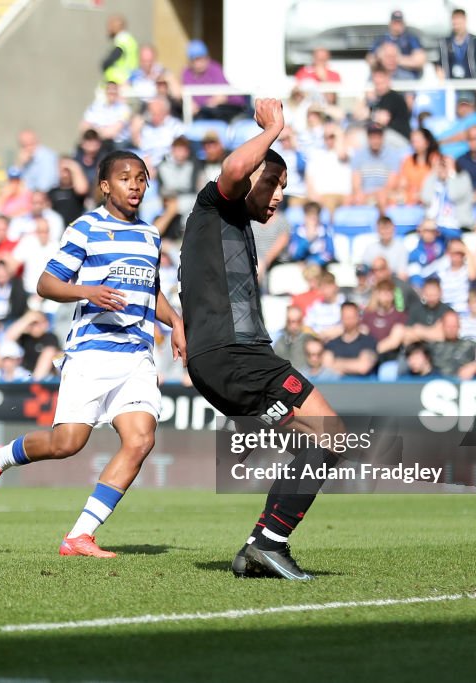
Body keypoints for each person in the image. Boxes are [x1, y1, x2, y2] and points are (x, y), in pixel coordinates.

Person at [0, 151, 187, 559]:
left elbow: (149, 291)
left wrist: (177, 324)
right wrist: (87, 291)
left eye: (141, 179)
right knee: (67, 443)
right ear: (105, 186)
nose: (135, 185)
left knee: (140, 440)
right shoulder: (85, 228)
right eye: (125, 178)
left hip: (136, 354)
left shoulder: (150, 236)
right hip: (92, 352)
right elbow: (47, 284)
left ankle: (79, 536)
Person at [178, 98, 342, 580]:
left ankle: (259, 546)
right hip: (235, 357)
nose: (276, 195)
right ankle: (269, 543)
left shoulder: (231, 228)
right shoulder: (215, 205)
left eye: (284, 189)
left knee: (318, 444)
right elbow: (232, 167)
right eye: (272, 182)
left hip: (225, 362)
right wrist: (274, 129)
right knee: (331, 435)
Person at [436, 8, 476, 106]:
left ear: (465, 21)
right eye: (454, 21)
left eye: (459, 21)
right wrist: (443, 86)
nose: (456, 24)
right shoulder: (444, 43)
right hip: (452, 88)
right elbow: (439, 67)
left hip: (472, 87)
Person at [368, 10, 425, 81]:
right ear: (390, 23)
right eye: (395, 23)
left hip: (406, 76)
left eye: (400, 23)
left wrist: (396, 59)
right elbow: (370, 59)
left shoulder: (411, 39)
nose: (397, 26)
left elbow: (420, 60)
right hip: (384, 76)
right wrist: (381, 59)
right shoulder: (381, 39)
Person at [100, 14, 138, 86]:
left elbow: (110, 60)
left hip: (119, 81)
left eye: (110, 25)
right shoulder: (129, 40)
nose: (108, 29)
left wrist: (104, 65)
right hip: (129, 79)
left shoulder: (122, 40)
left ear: (117, 26)